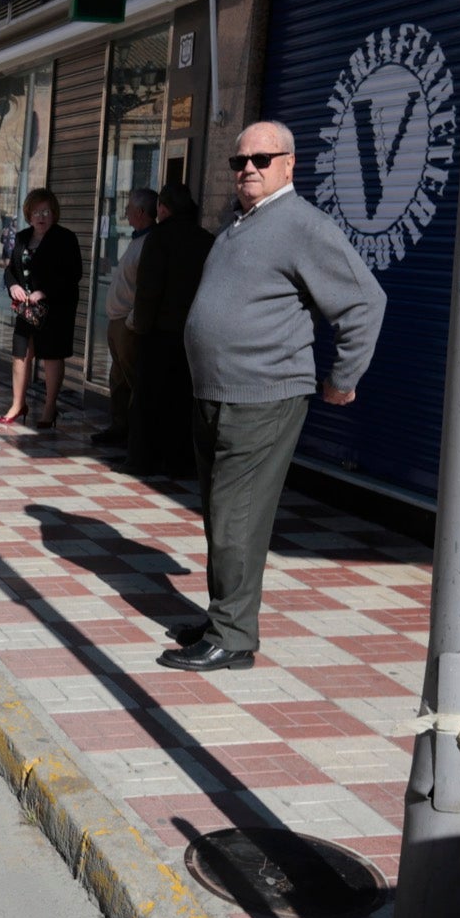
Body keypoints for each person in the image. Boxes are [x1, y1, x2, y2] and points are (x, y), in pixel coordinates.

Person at [159, 122, 386, 673]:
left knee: (236, 517)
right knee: (223, 515)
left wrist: (343, 376)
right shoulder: (241, 223)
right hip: (218, 393)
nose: (249, 170)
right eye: (240, 162)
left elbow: (364, 301)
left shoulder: (302, 224)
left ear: (289, 163)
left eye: (262, 159)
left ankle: (233, 639)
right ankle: (225, 617)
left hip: (262, 397)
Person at [125, 180, 212, 477]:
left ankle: (143, 460)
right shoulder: (205, 239)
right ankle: (179, 461)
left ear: (163, 208)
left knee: (149, 398)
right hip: (193, 334)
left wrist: (140, 329)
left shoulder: (159, 239)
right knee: (182, 398)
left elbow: (148, 290)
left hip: (159, 332)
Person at [0, 187, 81, 430]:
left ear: (54, 213)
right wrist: (13, 287)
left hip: (56, 309)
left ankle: (49, 407)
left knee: (52, 356)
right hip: (27, 310)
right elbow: (10, 269)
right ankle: (18, 404)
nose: (41, 217)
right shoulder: (22, 237)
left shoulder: (65, 238)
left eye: (46, 211)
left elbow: (73, 274)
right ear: (28, 215)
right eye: (36, 212)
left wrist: (43, 292)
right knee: (20, 354)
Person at [94, 187, 157, 445]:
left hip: (127, 324)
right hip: (117, 320)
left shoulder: (149, 244)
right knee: (118, 379)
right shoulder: (136, 240)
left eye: (129, 208)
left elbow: (146, 288)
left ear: (141, 212)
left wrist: (131, 320)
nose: (126, 212)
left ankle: (136, 436)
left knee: (132, 379)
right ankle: (119, 427)